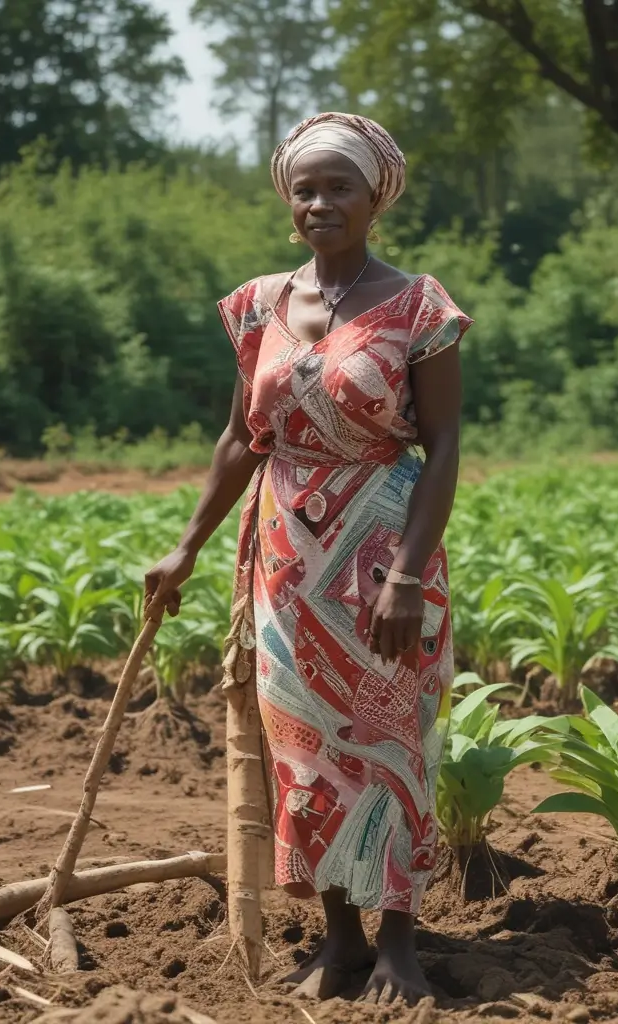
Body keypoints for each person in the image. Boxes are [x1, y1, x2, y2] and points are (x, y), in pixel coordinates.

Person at [143, 111, 472, 1006]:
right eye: (305, 189)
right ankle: (339, 939)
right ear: (289, 202)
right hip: (285, 558)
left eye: (339, 188)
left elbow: (442, 447)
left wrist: (408, 572)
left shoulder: (419, 307)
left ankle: (400, 942)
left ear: (375, 199)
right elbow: (241, 438)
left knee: (394, 736)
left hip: (384, 553)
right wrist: (184, 549)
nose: (319, 202)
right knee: (304, 746)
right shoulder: (257, 305)